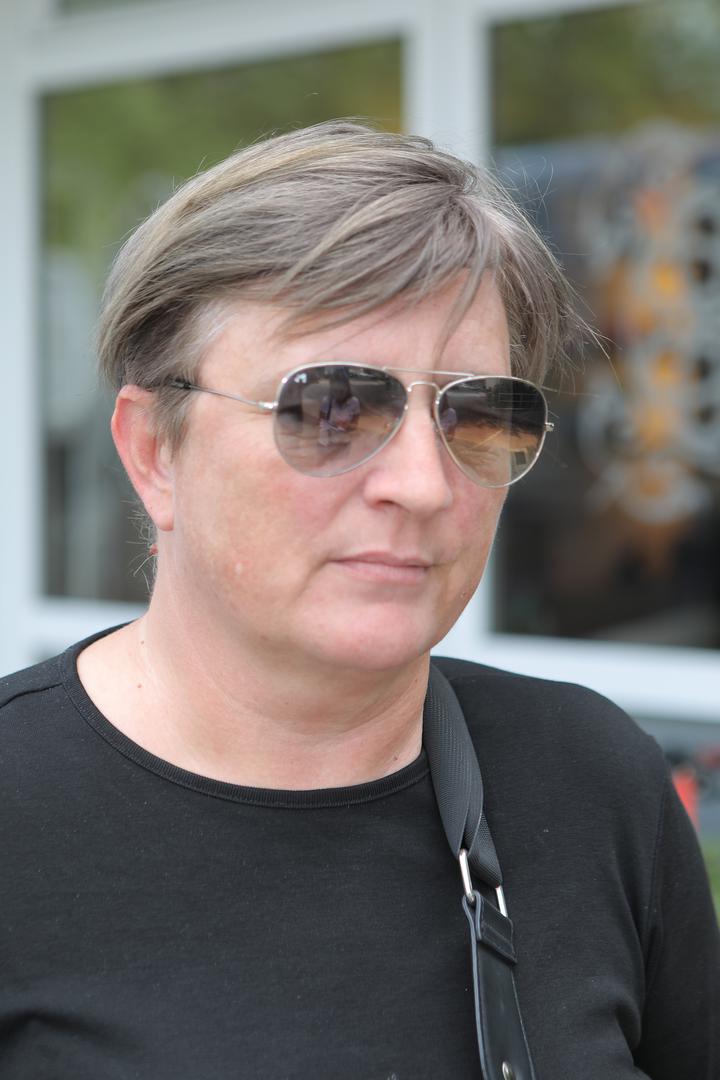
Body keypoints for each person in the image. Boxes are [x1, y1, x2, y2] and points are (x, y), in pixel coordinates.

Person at [0, 121, 718, 1079]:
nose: (422, 484)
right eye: (330, 406)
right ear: (154, 451)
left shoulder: (592, 783)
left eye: (479, 415)